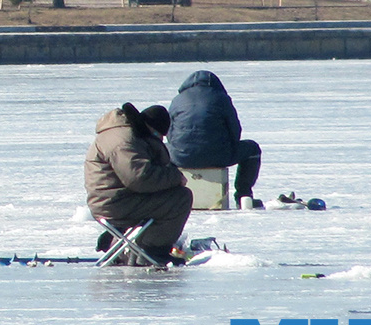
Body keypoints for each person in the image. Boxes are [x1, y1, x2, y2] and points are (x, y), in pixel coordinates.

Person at [84, 103, 192, 265]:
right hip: (114, 204)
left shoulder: (121, 133)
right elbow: (139, 178)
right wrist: (175, 177)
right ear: (151, 129)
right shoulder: (124, 141)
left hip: (114, 198)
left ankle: (117, 238)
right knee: (180, 198)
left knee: (168, 195)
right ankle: (152, 251)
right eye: (157, 136)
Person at [167, 70, 262, 208]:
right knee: (252, 149)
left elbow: (170, 132)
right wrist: (226, 147)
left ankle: (167, 196)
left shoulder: (177, 100)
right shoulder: (221, 98)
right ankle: (243, 195)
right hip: (218, 156)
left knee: (159, 150)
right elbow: (235, 129)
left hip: (181, 156)